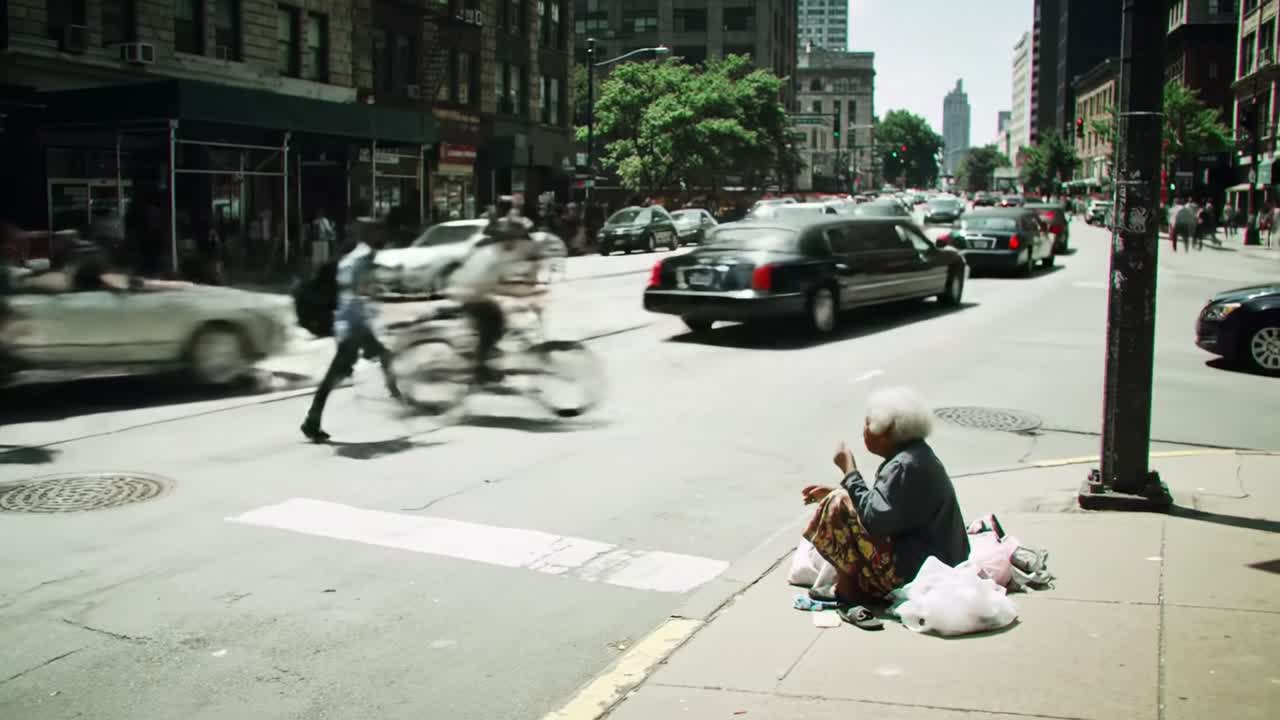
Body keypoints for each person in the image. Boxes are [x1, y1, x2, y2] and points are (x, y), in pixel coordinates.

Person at [800, 387, 969, 604]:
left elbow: (875, 520)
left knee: (837, 504)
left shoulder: (904, 465)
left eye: (868, 424)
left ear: (887, 431)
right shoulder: (916, 455)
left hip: (917, 570)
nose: (863, 431)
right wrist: (841, 489)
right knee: (841, 497)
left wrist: (849, 470)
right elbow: (886, 504)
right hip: (940, 559)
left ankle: (848, 591)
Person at [300, 220, 400, 443]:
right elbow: (360, 291)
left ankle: (398, 396)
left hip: (352, 324)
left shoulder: (355, 255)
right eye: (377, 231)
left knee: (372, 360)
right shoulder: (363, 257)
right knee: (336, 375)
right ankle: (311, 421)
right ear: (369, 234)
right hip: (353, 327)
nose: (381, 234)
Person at [444, 195, 540, 385]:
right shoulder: (500, 236)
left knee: (495, 321)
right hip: (470, 288)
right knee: (492, 323)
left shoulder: (497, 235)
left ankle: (482, 359)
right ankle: (480, 368)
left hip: (474, 284)